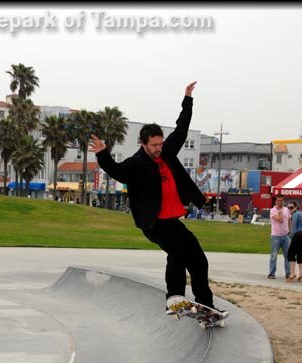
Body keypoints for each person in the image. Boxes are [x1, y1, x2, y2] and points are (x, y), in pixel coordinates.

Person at [89, 81, 225, 313]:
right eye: (154, 145)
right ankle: (174, 297)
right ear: (143, 144)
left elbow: (181, 129)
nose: (158, 148)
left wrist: (187, 99)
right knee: (178, 251)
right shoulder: (136, 163)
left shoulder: (168, 151)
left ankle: (206, 305)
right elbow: (117, 171)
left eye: (160, 143)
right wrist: (102, 154)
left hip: (172, 220)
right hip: (154, 223)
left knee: (199, 260)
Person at [267, 193, 291, 280]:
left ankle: (288, 273)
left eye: (281, 201)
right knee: (274, 255)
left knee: (288, 255)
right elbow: (280, 220)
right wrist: (279, 211)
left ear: (283, 201)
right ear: (275, 201)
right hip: (276, 236)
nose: (280, 202)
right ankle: (271, 273)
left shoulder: (286, 210)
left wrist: (289, 231)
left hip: (285, 235)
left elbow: (288, 220)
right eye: (278, 201)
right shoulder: (273, 211)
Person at [286, 200, 302, 282]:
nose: (290, 209)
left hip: (299, 235)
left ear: (296, 207)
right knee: (300, 253)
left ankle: (292, 274)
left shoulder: (295, 215)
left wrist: (290, 236)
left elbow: (294, 229)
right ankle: (301, 274)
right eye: (288, 207)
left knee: (291, 253)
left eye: (291, 207)